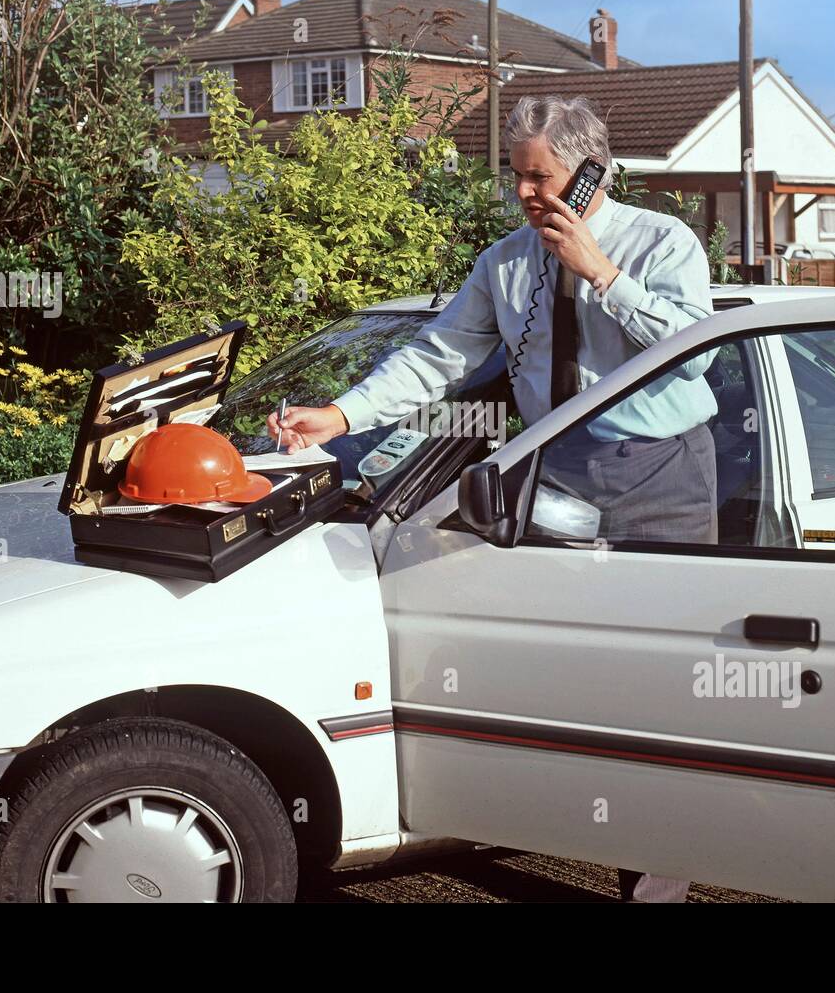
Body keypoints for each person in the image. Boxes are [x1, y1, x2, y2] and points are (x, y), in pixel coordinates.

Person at [269, 95, 716, 902]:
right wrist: (339, 414)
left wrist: (601, 274)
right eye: (516, 176)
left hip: (660, 475)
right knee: (568, 678)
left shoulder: (662, 242)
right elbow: (437, 357)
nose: (524, 193)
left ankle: (657, 888)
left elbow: (692, 355)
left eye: (539, 177)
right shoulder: (505, 264)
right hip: (556, 475)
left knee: (656, 692)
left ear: (591, 173)